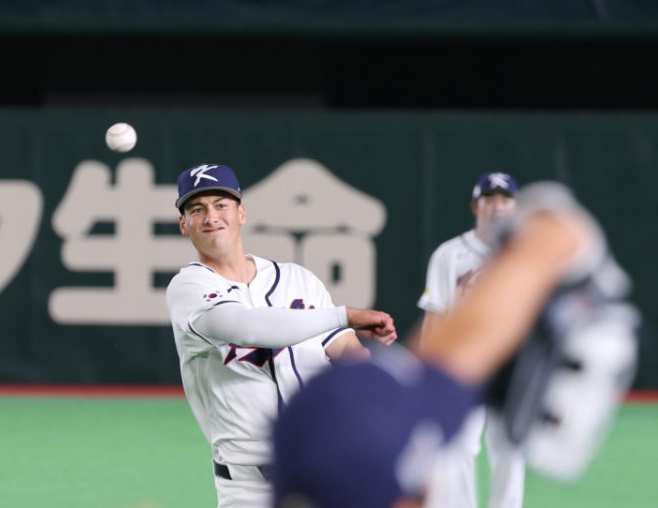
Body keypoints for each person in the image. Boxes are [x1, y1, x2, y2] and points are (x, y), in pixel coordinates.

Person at [273, 182, 638, 508]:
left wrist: (542, 245)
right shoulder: (450, 254)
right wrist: (547, 242)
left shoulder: (325, 440)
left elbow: (429, 375)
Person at [165, 163, 399, 508]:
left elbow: (346, 350)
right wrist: (344, 315)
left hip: (325, 471)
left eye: (221, 204)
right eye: (197, 209)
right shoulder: (189, 287)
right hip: (248, 487)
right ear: (184, 224)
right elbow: (245, 326)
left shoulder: (297, 279)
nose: (211, 216)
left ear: (241, 213)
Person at [418, 172, 524, 508]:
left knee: (510, 449)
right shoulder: (450, 254)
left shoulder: (524, 254)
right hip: (464, 363)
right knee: (460, 446)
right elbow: (435, 315)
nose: (498, 206)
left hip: (511, 365)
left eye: (505, 199)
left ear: (516, 207)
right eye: (489, 198)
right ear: (475, 206)